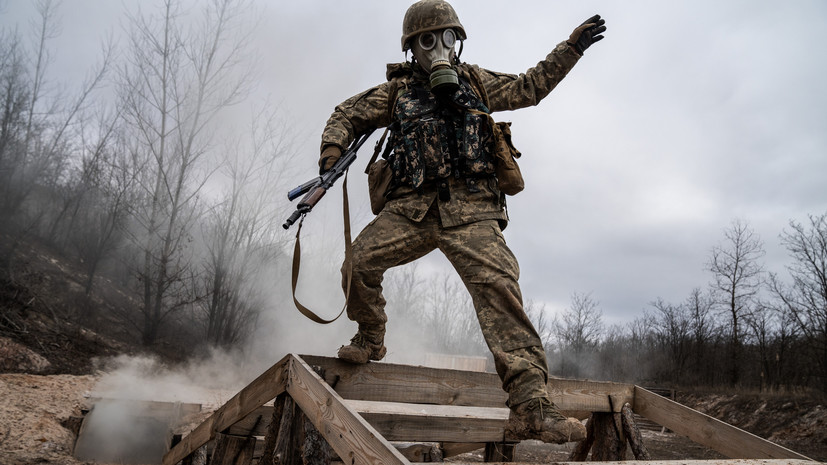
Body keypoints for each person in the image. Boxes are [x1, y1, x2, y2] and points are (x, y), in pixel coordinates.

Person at [316, 0, 605, 443]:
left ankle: (531, 408)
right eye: (427, 41)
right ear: (412, 48)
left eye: (447, 38)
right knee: (358, 264)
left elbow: (530, 86)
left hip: (472, 212)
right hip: (412, 209)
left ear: (458, 43)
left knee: (502, 293)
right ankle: (371, 336)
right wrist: (332, 151)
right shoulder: (397, 92)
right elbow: (346, 114)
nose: (438, 49)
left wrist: (571, 48)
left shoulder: (476, 82)